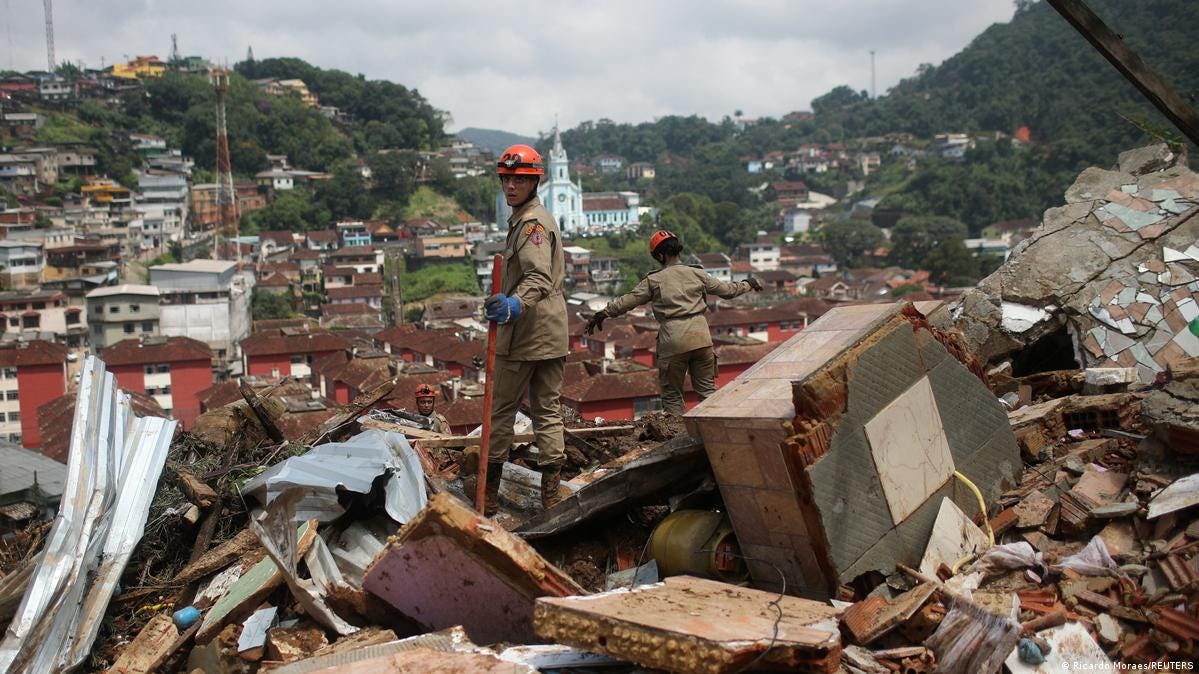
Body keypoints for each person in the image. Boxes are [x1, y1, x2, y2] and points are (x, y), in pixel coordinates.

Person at [585, 230, 762, 414]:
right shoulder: (697, 273)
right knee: (708, 393)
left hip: (673, 340)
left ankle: (678, 438)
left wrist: (603, 313)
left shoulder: (654, 280)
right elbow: (728, 291)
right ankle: (716, 435)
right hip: (701, 338)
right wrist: (748, 283)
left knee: (672, 396)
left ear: (660, 255)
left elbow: (628, 301)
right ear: (677, 250)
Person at [481, 144, 568, 516]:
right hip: (552, 332)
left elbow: (537, 275)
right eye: (507, 179)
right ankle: (551, 493)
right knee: (548, 412)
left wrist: (514, 304)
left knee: (501, 411)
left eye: (520, 179)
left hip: (527, 334)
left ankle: (486, 492)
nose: (511, 186)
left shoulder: (532, 223)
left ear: (535, 182)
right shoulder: (532, 217)